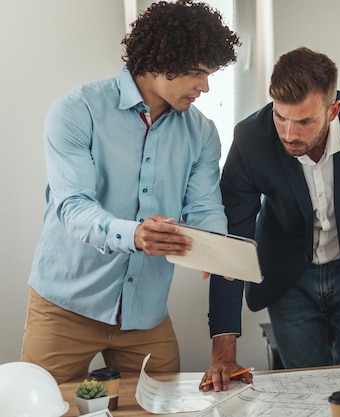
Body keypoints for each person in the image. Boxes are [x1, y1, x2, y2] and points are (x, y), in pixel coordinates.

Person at [21, 0, 249, 391]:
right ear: (161, 60)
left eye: (209, 74)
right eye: (197, 72)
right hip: (65, 306)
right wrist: (134, 235)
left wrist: (216, 246)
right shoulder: (77, 111)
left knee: (160, 408)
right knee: (44, 406)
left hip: (146, 313)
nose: (205, 86)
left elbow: (205, 205)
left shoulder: (202, 133)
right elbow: (72, 206)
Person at [209, 47, 340, 370]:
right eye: (280, 116)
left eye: (304, 121)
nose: (288, 134)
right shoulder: (250, 140)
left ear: (333, 110)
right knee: (304, 387)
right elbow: (231, 242)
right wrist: (223, 354)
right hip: (289, 277)